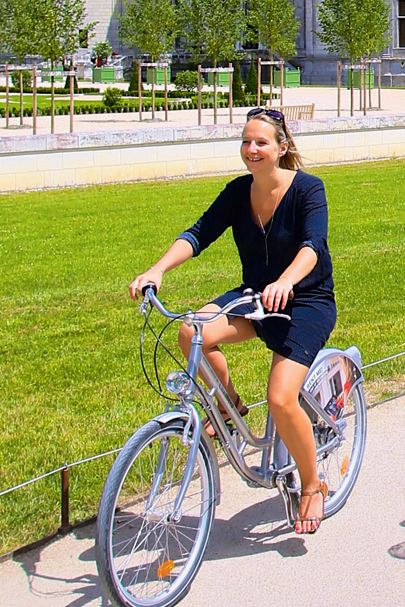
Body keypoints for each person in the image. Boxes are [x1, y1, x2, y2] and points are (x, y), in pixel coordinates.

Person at [129, 107, 338, 535]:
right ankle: (229, 404)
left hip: (305, 301)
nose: (251, 149)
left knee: (281, 398)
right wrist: (157, 269)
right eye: (245, 141)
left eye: (261, 142)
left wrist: (286, 280)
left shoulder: (308, 189)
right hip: (258, 297)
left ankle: (311, 485)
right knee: (190, 330)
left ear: (282, 147)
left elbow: (313, 245)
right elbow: (198, 233)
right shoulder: (238, 191)